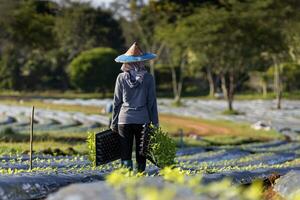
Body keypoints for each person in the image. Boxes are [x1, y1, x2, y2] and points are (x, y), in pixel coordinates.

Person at [110, 42, 159, 172]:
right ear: (141, 62)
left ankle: (126, 178)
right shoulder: (148, 78)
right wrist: (155, 123)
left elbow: (117, 102)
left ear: (127, 63)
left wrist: (113, 123)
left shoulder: (120, 78)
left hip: (124, 120)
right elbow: (151, 103)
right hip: (143, 120)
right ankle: (140, 177)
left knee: (125, 152)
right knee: (141, 152)